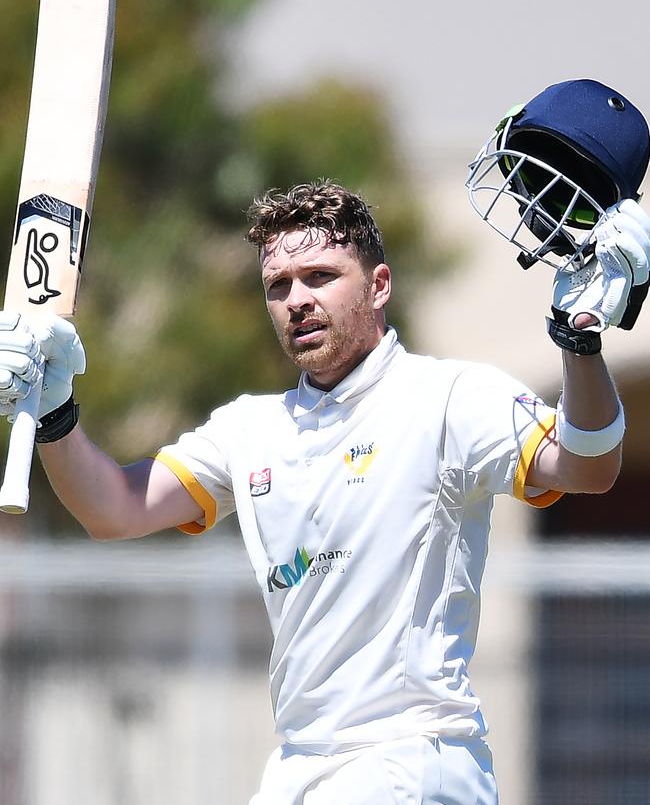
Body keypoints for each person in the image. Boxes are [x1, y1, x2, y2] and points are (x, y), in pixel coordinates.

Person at [0, 78, 649, 805]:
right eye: (278, 284)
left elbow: (588, 468)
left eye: (319, 276)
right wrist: (56, 411)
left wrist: (579, 345)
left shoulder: (449, 397)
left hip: (412, 758)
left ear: (377, 286)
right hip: (301, 763)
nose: (296, 299)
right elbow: (112, 509)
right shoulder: (250, 429)